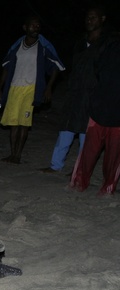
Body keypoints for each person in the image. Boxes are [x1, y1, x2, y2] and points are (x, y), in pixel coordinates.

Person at [40, 6, 110, 174]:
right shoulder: (81, 42)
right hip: (75, 93)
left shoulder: (107, 43)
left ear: (102, 19)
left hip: (93, 94)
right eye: (87, 17)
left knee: (86, 133)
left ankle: (79, 169)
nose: (89, 20)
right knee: (66, 128)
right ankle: (56, 165)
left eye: (93, 17)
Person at [0, 14, 65, 164]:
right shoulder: (17, 46)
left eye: (38, 26)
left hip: (31, 89)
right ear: (25, 28)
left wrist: (48, 88)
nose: (36, 28)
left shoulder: (43, 46)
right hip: (14, 87)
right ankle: (12, 154)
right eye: (33, 25)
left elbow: (56, 67)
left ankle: (18, 156)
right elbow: (6, 68)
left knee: (24, 123)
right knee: (13, 123)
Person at [69, 35, 120, 196]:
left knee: (114, 156)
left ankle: (108, 187)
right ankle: (79, 182)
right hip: (99, 109)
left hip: (116, 116)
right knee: (89, 153)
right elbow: (97, 70)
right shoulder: (111, 46)